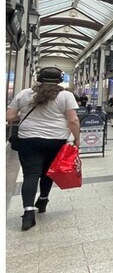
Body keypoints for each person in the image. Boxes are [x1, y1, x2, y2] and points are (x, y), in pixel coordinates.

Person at [6, 67, 80, 230]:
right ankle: (43, 199)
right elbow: (73, 120)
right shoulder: (66, 95)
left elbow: (9, 116)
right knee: (49, 172)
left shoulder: (24, 94)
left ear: (39, 78)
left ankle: (28, 214)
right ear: (60, 80)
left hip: (28, 140)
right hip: (56, 141)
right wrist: (77, 139)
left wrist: (25, 114)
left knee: (31, 175)